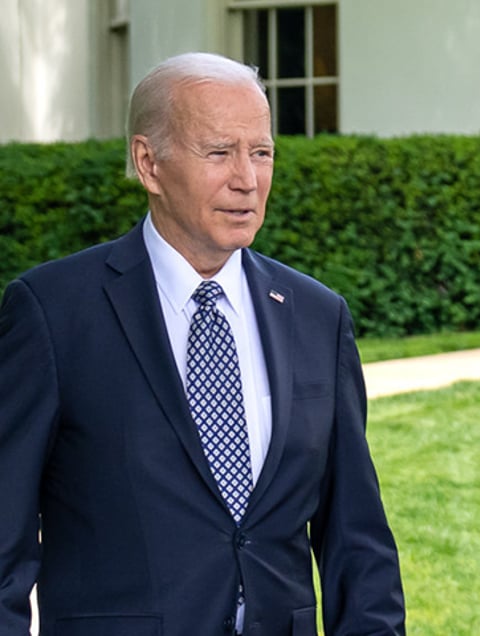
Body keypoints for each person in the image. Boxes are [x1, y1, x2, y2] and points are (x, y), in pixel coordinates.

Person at [0, 52, 405, 636]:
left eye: (261, 152)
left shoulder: (318, 316)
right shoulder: (53, 312)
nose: (247, 178)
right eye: (219, 152)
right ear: (149, 163)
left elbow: (357, 540)